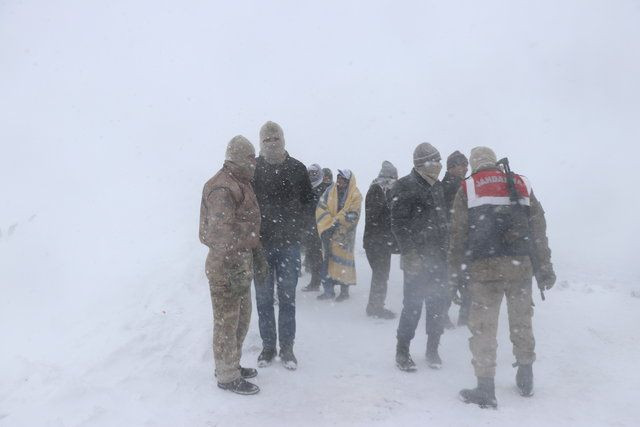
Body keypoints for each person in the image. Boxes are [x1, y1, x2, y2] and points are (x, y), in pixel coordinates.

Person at [448, 147, 556, 408]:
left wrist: (454, 275)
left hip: (484, 270)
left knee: (484, 328)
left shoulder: (468, 187)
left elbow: (458, 235)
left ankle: (486, 388)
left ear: (474, 164)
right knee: (521, 321)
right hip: (520, 268)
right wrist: (544, 267)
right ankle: (526, 376)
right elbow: (538, 228)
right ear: (494, 162)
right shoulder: (520, 183)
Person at [199, 136, 268, 395]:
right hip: (226, 267)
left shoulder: (241, 182)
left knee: (241, 319)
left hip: (239, 263)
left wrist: (255, 251)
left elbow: (245, 223)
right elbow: (218, 234)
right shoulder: (222, 188)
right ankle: (227, 376)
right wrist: (250, 241)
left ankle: (232, 364)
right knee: (227, 321)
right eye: (250, 158)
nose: (254, 163)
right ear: (238, 158)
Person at [252, 121, 314, 370]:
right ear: (260, 142)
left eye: (275, 138)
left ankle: (287, 348)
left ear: (283, 139)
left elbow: (310, 203)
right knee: (264, 299)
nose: (271, 143)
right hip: (262, 246)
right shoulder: (254, 169)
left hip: (289, 245)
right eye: (266, 139)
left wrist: (300, 232)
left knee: (287, 299)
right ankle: (268, 347)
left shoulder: (297, 168)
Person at [390, 143, 449, 371]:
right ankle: (402, 351)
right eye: (435, 161)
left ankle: (432, 349)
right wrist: (410, 253)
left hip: (439, 259)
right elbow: (398, 224)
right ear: (421, 164)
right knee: (412, 306)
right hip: (416, 258)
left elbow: (445, 221)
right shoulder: (404, 185)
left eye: (439, 160)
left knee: (437, 305)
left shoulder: (439, 187)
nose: (439, 165)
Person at [316, 169, 362, 301]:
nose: (339, 180)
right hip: (328, 234)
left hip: (344, 235)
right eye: (338, 177)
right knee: (327, 262)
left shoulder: (355, 195)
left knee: (343, 263)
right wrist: (327, 226)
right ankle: (328, 291)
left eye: (342, 178)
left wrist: (336, 223)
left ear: (348, 181)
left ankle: (344, 291)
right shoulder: (330, 191)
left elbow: (353, 213)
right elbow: (321, 207)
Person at [363, 161, 400, 319]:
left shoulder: (379, 189)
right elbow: (375, 217)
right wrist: (391, 209)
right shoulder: (377, 190)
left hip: (377, 241)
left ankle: (375, 305)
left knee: (380, 274)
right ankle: (375, 308)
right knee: (381, 274)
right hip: (377, 242)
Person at [441, 151, 470, 327]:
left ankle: (460, 317)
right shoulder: (451, 186)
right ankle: (448, 317)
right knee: (452, 281)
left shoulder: (460, 184)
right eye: (462, 165)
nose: (466, 168)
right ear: (452, 167)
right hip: (452, 242)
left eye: (467, 164)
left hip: (458, 241)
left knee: (458, 281)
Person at [302, 164, 332, 292]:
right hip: (308, 227)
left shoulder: (324, 190)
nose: (312, 176)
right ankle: (317, 281)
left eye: (314, 173)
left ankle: (317, 282)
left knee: (317, 256)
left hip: (319, 228)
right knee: (312, 255)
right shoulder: (307, 188)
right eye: (310, 173)